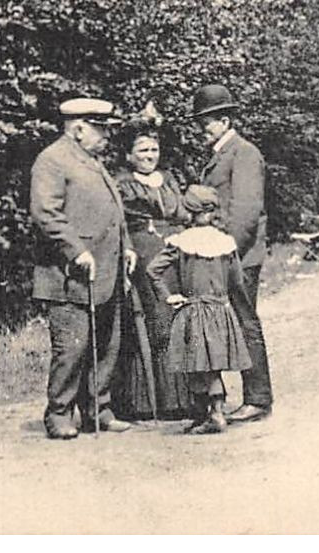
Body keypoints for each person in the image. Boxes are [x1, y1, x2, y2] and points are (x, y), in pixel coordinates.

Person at [29, 97, 135, 440]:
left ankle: (97, 409)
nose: (106, 136)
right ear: (78, 129)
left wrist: (128, 247)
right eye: (100, 129)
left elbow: (114, 212)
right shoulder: (52, 160)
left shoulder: (92, 161)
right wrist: (76, 250)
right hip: (68, 276)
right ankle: (58, 412)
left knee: (106, 344)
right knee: (72, 347)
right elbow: (46, 213)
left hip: (106, 271)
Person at [191, 83, 272, 422]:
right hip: (221, 254)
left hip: (238, 255)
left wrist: (227, 253)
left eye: (206, 122)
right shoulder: (219, 155)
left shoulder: (244, 153)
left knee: (243, 322)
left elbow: (246, 212)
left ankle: (258, 398)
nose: (201, 129)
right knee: (230, 323)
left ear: (224, 120)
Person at [148, 186, 252, 435]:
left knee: (196, 364)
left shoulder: (182, 242)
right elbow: (238, 280)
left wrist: (169, 296)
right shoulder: (225, 243)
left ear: (189, 211)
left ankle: (208, 414)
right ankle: (215, 411)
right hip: (219, 308)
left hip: (193, 310)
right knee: (213, 364)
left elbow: (153, 270)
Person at [112, 125, 194, 422]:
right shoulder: (123, 183)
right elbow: (122, 221)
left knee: (178, 314)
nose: (149, 156)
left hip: (175, 253)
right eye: (143, 150)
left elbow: (182, 211)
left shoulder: (169, 179)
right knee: (154, 318)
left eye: (154, 150)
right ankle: (147, 401)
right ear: (129, 155)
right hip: (145, 254)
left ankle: (183, 397)